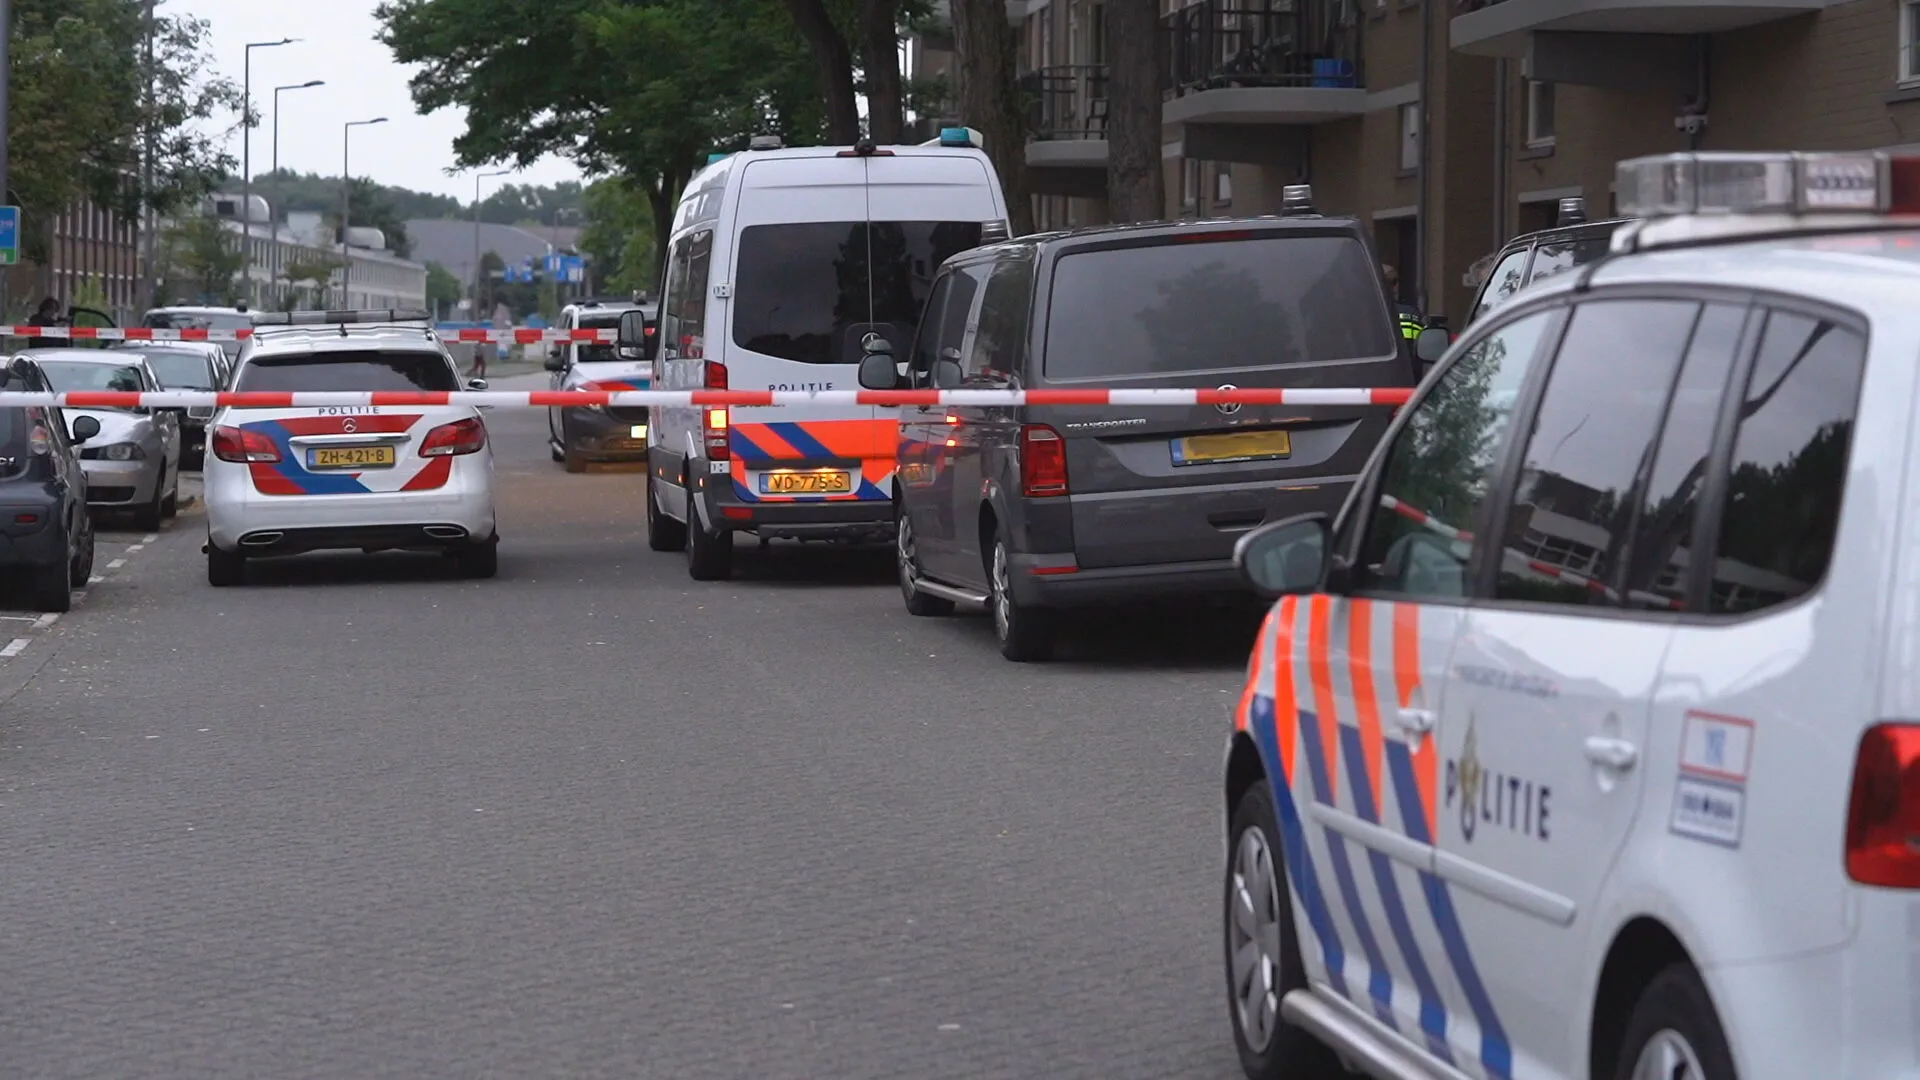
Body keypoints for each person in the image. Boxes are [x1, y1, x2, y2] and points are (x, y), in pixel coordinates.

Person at [1381, 264, 1424, 344]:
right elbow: (1420, 346)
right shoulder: (1409, 314)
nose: (1397, 286)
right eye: (1394, 282)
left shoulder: (1356, 314)